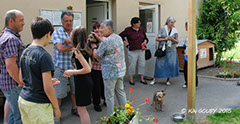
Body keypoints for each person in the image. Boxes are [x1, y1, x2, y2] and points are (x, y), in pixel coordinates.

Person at [18, 16, 61, 124]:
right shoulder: (44, 56)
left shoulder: (25, 51)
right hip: (38, 105)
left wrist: (43, 82)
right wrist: (56, 107)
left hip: (24, 100)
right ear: (48, 34)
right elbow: (48, 88)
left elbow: (21, 80)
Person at [92, 20, 127, 114]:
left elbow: (96, 56)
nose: (100, 30)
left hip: (109, 73)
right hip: (120, 70)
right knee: (120, 92)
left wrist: (94, 47)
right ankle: (126, 113)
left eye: (102, 28)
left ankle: (111, 115)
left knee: (109, 96)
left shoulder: (105, 41)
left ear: (109, 29)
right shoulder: (118, 37)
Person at [0, 9, 25, 124]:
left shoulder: (6, 36)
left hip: (9, 84)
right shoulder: (11, 39)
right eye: (21, 20)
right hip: (13, 84)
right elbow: (10, 65)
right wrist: (19, 82)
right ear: (11, 21)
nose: (23, 23)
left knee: (13, 114)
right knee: (19, 117)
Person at [63, 26, 92, 124]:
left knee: (81, 110)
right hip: (85, 81)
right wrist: (73, 71)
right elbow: (89, 67)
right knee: (82, 109)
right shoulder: (86, 48)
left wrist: (72, 72)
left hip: (82, 82)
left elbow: (87, 69)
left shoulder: (77, 51)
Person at [51, 11, 78, 117]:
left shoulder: (75, 32)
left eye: (70, 21)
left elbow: (82, 44)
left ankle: (74, 108)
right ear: (61, 21)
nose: (68, 23)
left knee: (75, 90)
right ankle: (56, 115)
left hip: (74, 67)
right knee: (58, 93)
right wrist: (74, 44)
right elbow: (60, 49)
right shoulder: (57, 32)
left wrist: (71, 42)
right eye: (66, 21)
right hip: (60, 66)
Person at [150, 17, 179, 85]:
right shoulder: (162, 29)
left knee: (170, 65)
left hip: (171, 50)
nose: (172, 24)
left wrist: (172, 39)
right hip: (162, 49)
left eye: (173, 22)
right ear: (168, 22)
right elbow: (157, 39)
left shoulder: (175, 30)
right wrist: (164, 39)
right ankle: (154, 79)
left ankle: (168, 80)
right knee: (159, 64)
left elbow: (177, 41)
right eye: (171, 22)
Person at [119, 17, 148, 85]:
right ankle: (131, 79)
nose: (140, 23)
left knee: (142, 64)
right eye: (138, 22)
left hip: (141, 50)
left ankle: (142, 78)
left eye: (140, 22)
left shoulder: (141, 29)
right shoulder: (128, 30)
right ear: (133, 24)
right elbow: (120, 36)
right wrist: (125, 42)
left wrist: (145, 41)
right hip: (132, 50)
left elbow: (146, 38)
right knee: (132, 65)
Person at [90, 22, 106, 112]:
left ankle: (105, 100)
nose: (97, 30)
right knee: (96, 87)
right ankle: (96, 103)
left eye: (98, 28)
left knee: (104, 85)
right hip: (95, 67)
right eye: (95, 28)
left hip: (104, 67)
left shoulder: (104, 39)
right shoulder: (91, 39)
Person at [182, 22, 199, 88]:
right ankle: (187, 82)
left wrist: (188, 53)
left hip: (193, 55)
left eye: (185, 26)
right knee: (186, 69)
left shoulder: (192, 35)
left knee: (192, 69)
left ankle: (194, 83)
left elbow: (192, 46)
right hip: (187, 55)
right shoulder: (188, 35)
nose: (185, 28)